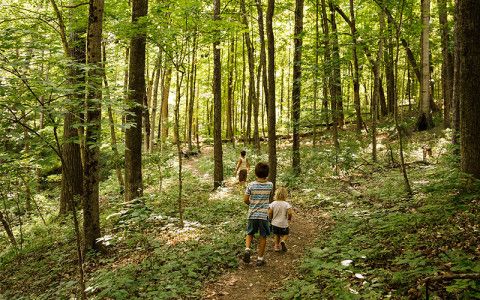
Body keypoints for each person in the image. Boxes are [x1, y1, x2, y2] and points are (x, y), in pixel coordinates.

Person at [243, 162, 273, 266]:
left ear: (255, 173)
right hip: (263, 215)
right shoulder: (270, 185)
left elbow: (245, 199)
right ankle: (260, 259)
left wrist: (250, 204)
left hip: (252, 214)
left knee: (249, 233)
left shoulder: (251, 185)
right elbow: (268, 197)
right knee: (263, 236)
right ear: (267, 174)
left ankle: (247, 249)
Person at [268, 187, 292, 252]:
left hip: (275, 223)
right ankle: (283, 241)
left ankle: (276, 246)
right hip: (284, 223)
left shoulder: (273, 203)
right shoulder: (287, 204)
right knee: (286, 234)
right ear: (285, 195)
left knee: (277, 235)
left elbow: (270, 212)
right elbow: (290, 213)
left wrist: (270, 218)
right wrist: (289, 218)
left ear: (276, 195)